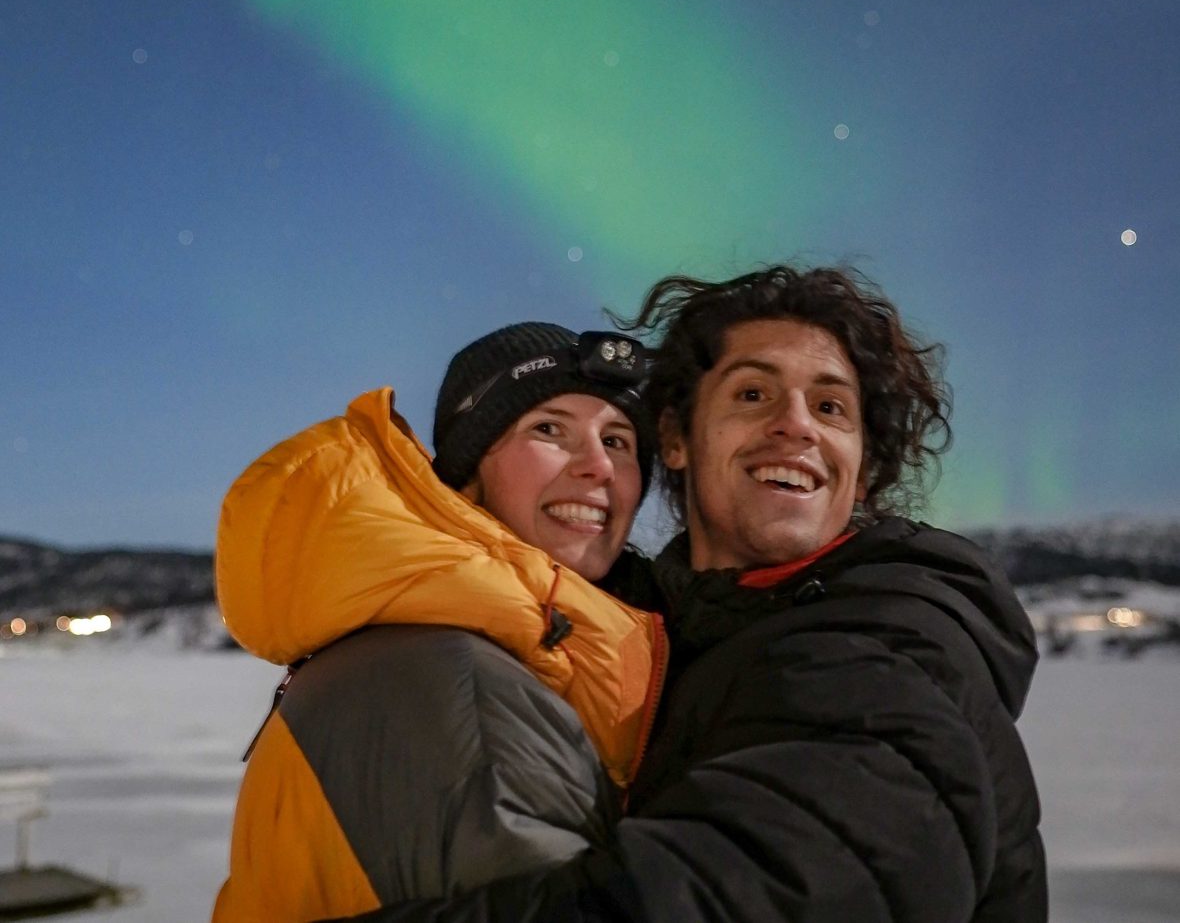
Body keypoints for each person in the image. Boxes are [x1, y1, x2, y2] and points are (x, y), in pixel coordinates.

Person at [328, 264, 1047, 922]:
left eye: (831, 408)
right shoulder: (670, 637)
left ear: (859, 476)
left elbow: (727, 898)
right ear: (676, 437)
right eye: (754, 393)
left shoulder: (876, 650)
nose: (795, 424)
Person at [212, 322, 669, 922]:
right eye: (549, 429)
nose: (598, 468)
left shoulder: (475, 645)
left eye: (618, 442)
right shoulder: (459, 688)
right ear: (469, 473)